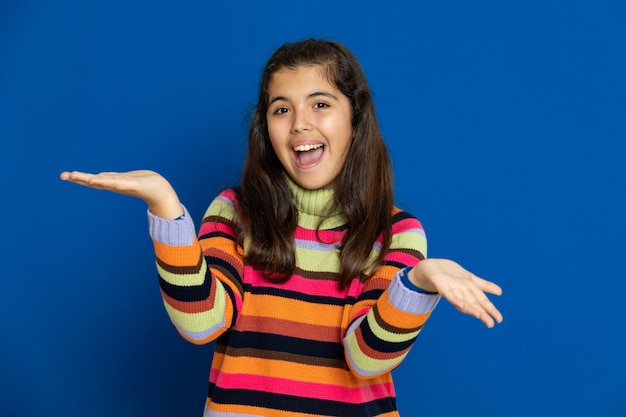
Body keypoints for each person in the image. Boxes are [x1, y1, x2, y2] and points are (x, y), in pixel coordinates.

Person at [60, 38, 503, 417]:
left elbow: (367, 358)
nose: (300, 124)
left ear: (356, 117)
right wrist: (165, 207)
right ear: (265, 125)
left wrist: (419, 282)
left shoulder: (397, 232)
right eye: (281, 109)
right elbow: (200, 323)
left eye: (321, 104)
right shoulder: (234, 211)